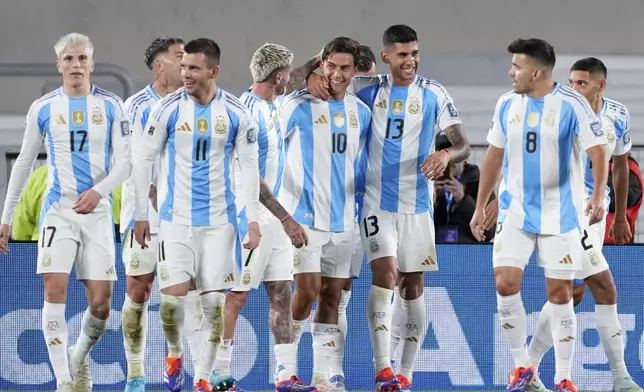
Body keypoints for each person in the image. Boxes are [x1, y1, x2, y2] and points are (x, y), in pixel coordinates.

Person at [307, 25, 471, 392]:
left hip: (417, 207)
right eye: (402, 54)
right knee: (385, 275)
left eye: (414, 53)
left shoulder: (433, 92)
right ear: (385, 57)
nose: (410, 60)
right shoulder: (368, 92)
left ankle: (404, 375)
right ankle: (382, 367)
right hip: (376, 203)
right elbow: (332, 74)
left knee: (413, 287)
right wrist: (311, 72)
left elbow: (463, 144)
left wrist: (446, 153)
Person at [470, 39, 608, 392]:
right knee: (505, 283)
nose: (510, 72)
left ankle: (563, 376)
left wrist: (595, 196)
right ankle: (521, 368)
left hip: (561, 214)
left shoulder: (572, 104)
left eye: (516, 66)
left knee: (560, 293)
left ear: (537, 72)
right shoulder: (506, 103)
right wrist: (481, 204)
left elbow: (598, 152)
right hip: (515, 210)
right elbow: (493, 157)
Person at [0, 33, 132, 392]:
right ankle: (63, 382)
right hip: (58, 210)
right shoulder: (43, 108)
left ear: (92, 63)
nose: (76, 65)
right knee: (53, 288)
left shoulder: (111, 106)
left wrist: (98, 191)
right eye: (69, 59)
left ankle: (78, 358)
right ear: (59, 64)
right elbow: (25, 163)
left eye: (82, 58)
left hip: (98, 211)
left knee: (102, 305)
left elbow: (125, 163)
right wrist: (6, 216)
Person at [132, 38, 261, 392]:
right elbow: (143, 160)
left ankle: (202, 379)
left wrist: (252, 219)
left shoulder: (236, 113)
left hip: (220, 224)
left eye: (193, 68)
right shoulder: (166, 110)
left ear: (213, 71)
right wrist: (142, 214)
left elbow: (249, 169)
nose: (184, 74)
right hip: (175, 222)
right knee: (172, 306)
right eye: (183, 66)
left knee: (213, 303)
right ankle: (174, 354)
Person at [524, 57, 642, 392]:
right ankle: (620, 377)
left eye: (582, 83)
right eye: (571, 82)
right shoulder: (559, 111)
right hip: (566, 213)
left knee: (575, 293)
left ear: (600, 85)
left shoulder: (617, 114)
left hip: (595, 215)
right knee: (601, 287)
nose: (573, 88)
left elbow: (620, 166)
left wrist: (618, 216)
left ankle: (527, 370)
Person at [209, 42, 314, 392]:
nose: (293, 79)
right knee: (236, 294)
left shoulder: (274, 102)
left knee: (281, 292)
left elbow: (296, 75)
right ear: (278, 77)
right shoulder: (245, 113)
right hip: (250, 215)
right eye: (288, 74)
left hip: (277, 220)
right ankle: (217, 372)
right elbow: (253, 178)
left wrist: (323, 56)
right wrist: (287, 219)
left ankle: (285, 376)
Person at [282, 37, 371, 392]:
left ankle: (324, 377)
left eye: (344, 67)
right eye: (330, 65)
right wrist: (306, 72)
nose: (336, 73)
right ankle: (284, 368)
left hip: (345, 220)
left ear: (354, 71)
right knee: (306, 290)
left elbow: (359, 165)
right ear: (322, 63)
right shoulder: (297, 105)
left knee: (333, 296)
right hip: (305, 217)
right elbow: (280, 88)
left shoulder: (360, 114)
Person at [119, 36, 204, 392]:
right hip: (144, 215)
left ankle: (178, 359)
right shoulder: (135, 105)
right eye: (178, 57)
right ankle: (136, 374)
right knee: (139, 289)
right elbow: (132, 163)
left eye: (187, 59)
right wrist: (152, 202)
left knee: (187, 291)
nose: (184, 64)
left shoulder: (195, 103)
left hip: (183, 216)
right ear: (159, 65)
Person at [337, 42, 377, 380]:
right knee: (311, 292)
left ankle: (332, 372)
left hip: (365, 213)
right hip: (325, 214)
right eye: (363, 83)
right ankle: (290, 372)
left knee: (342, 295)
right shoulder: (327, 107)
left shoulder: (369, 114)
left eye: (373, 83)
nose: (370, 91)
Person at [432, 132, 496, 243]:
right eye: (443, 153)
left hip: (468, 253)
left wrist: (463, 199)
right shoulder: (426, 184)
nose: (449, 158)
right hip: (433, 251)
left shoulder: (481, 184)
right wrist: (431, 199)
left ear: (464, 156)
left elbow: (489, 232)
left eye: (454, 152)